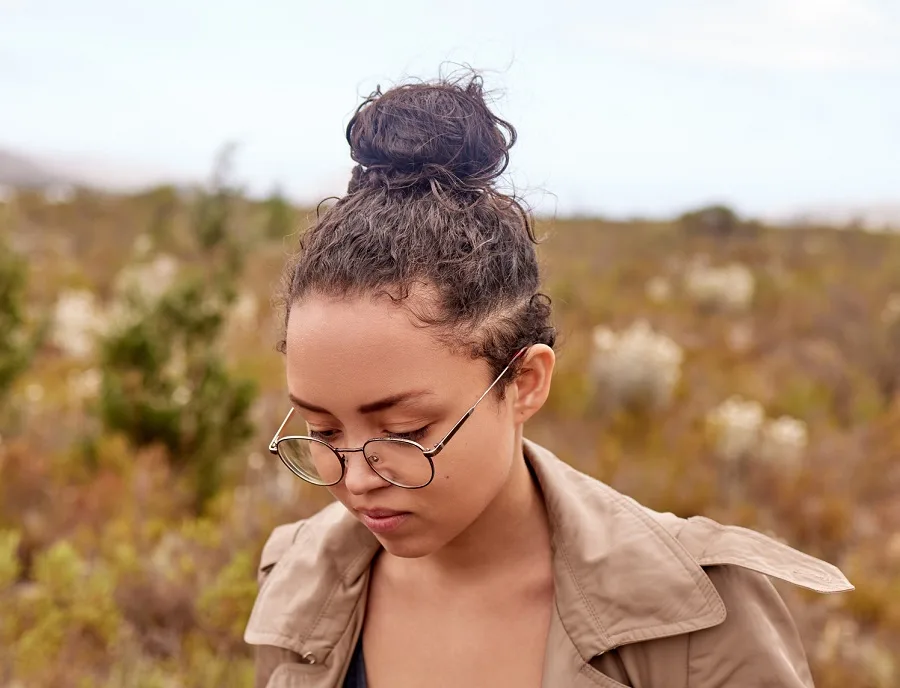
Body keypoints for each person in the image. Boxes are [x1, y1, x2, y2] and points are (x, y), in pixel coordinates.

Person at [244, 72, 853, 688]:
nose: (354, 480)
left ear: (525, 382)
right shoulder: (297, 580)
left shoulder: (695, 622)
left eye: (405, 431)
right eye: (321, 431)